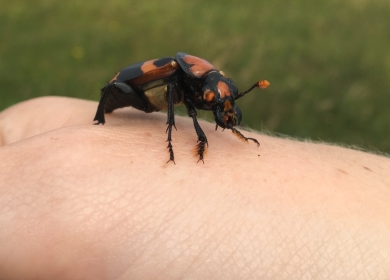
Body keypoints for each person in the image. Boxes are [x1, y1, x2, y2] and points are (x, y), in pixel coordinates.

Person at [0, 96, 389, 279]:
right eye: (219, 101)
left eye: (227, 105)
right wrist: (175, 139)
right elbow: (168, 103)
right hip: (132, 88)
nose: (223, 106)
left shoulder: (200, 87)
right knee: (134, 94)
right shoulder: (176, 80)